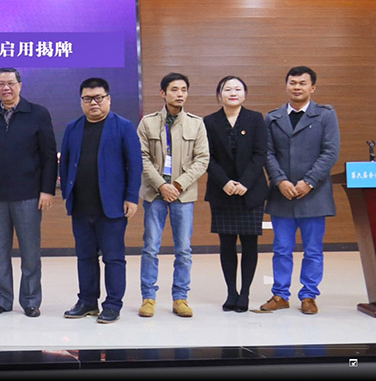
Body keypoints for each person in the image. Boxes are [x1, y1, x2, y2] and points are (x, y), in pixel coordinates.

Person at [0, 67, 57, 318]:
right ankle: (1, 299)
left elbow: (48, 155)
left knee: (30, 252)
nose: (6, 88)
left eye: (10, 83)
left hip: (29, 195)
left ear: (20, 85)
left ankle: (30, 300)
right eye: (1, 84)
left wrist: (47, 190)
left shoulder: (38, 114)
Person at [59, 77, 142, 324]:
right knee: (85, 257)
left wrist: (131, 197)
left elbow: (135, 164)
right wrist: (67, 193)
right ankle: (87, 301)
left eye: (98, 98)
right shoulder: (73, 128)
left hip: (112, 206)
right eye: (87, 98)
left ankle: (113, 304)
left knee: (113, 258)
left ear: (108, 99)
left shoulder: (123, 126)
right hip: (81, 205)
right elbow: (65, 163)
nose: (93, 103)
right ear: (81, 101)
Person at [259, 66, 340, 315]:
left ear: (312, 87)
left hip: (314, 195)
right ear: (286, 86)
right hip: (282, 194)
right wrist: (280, 181)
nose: (297, 87)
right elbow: (268, 153)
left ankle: (309, 296)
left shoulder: (325, 115)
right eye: (292, 83)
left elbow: (330, 152)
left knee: (313, 250)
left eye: (302, 83)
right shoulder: (273, 118)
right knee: (281, 249)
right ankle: (280, 294)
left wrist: (309, 181)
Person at [136, 72, 208, 318]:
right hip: (154, 194)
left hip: (183, 195)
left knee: (184, 249)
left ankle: (180, 298)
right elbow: (141, 157)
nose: (180, 94)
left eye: (183, 90)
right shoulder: (147, 123)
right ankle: (148, 297)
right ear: (163, 93)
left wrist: (177, 184)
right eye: (174, 89)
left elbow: (202, 159)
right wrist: (161, 185)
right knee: (150, 247)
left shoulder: (196, 123)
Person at [203, 76, 267, 313]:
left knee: (250, 243)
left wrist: (245, 183)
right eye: (227, 89)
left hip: (250, 192)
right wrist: (225, 182)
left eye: (238, 89)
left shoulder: (255, 119)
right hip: (223, 192)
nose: (233, 93)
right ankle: (231, 292)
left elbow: (260, 154)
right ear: (219, 95)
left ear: (245, 94)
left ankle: (245, 293)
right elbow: (207, 157)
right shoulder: (209, 121)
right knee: (227, 244)